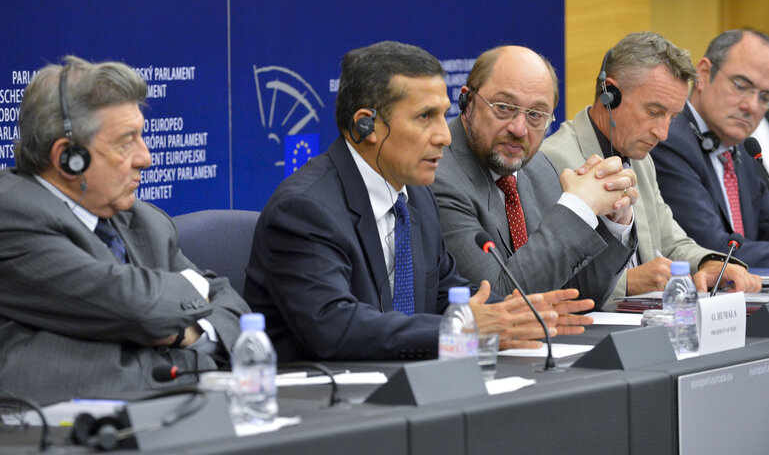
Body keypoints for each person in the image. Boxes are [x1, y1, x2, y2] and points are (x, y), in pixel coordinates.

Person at [244, 41, 594, 363]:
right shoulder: (305, 210)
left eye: (443, 114)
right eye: (425, 117)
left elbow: (447, 295)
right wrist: (464, 329)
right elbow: (335, 326)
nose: (444, 136)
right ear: (367, 126)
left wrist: (517, 314)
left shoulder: (415, 198)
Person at [0, 56, 249, 405]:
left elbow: (235, 309)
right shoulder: (12, 214)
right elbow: (136, 307)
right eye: (126, 141)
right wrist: (192, 316)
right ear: (68, 157)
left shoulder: (145, 220)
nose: (145, 157)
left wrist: (182, 333)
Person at [541, 32, 761, 305]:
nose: (663, 133)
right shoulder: (551, 161)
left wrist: (709, 263)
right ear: (610, 94)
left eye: (673, 117)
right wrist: (627, 283)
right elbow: (543, 279)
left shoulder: (641, 159)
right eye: (654, 112)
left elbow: (671, 243)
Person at [432, 45, 638, 310]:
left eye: (536, 115)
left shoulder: (539, 167)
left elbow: (577, 296)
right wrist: (577, 208)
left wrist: (613, 223)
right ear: (467, 102)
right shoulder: (440, 177)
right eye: (504, 108)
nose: (519, 129)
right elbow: (500, 300)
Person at [651, 29, 769, 268]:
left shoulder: (744, 151)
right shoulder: (669, 141)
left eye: (765, 97)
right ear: (704, 74)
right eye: (741, 86)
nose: (751, 106)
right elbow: (713, 249)